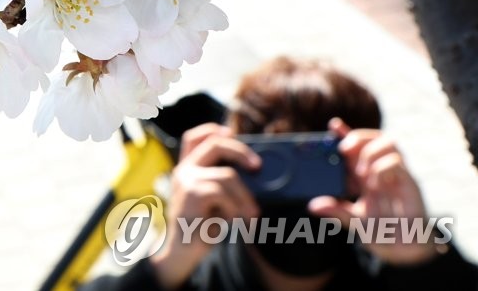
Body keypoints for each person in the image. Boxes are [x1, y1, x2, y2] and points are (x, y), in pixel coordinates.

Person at [90, 56, 477, 290]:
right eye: (272, 163)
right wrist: (172, 259)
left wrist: (423, 257)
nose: (298, 190)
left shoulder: (410, 265)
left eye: (325, 164)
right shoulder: (189, 272)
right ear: (227, 167)